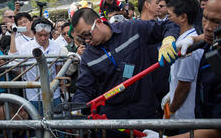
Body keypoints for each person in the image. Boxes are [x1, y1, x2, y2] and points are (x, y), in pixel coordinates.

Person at [71, 8, 179, 137]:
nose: (87, 41)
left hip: (146, 115)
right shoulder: (88, 57)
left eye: (87, 34)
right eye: (82, 38)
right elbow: (84, 89)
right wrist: (75, 109)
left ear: (99, 22)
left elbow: (168, 25)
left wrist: (168, 40)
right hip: (113, 124)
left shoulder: (132, 29)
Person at [145, 0, 221, 138]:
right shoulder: (212, 42)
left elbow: (217, 130)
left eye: (216, 22)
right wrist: (193, 40)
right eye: (205, 18)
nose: (207, 27)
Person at [161, 0, 203, 127]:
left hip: (186, 116)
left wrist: (170, 111)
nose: (167, 20)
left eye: (170, 16)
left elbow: (184, 85)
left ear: (183, 17)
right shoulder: (183, 40)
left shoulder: (188, 46)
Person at [15, 17, 62, 115]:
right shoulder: (25, 48)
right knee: (36, 124)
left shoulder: (56, 46)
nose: (43, 38)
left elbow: (58, 69)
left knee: (58, 122)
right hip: (33, 95)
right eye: (40, 35)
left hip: (53, 93)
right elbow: (19, 69)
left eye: (46, 35)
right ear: (34, 33)